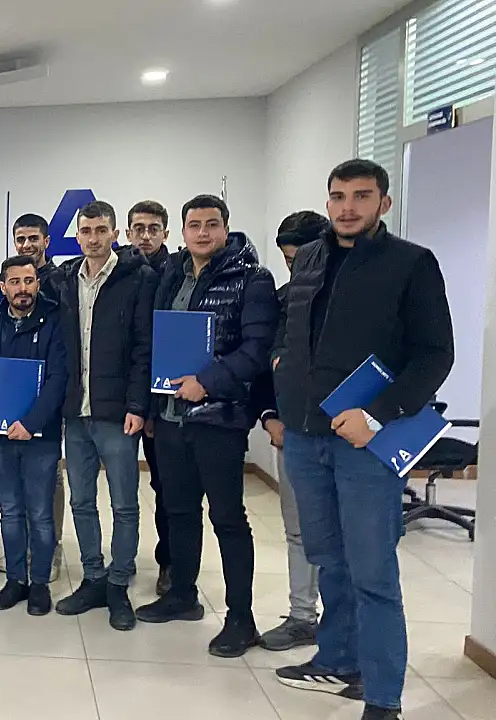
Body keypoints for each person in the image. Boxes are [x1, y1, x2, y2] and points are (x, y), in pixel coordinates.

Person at [273, 160, 453, 720]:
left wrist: (377, 414)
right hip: (304, 435)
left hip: (366, 443)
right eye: (338, 196)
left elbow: (435, 354)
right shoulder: (310, 257)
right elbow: (292, 333)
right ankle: (339, 658)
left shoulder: (411, 263)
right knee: (328, 557)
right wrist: (281, 395)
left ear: (384, 203)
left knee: (372, 571)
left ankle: (382, 695)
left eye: (361, 195)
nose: (347, 207)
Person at [135, 195, 279, 660]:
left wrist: (207, 382)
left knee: (228, 518)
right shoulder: (170, 275)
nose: (202, 233)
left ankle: (241, 618)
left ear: (225, 228)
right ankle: (182, 595)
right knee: (178, 511)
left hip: (219, 418)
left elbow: (256, 350)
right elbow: (155, 342)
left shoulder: (252, 279)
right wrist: (151, 408)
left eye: (211, 224)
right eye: (194, 225)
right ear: (182, 231)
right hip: (170, 417)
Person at [53, 201, 157, 632]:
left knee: (124, 504)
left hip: (116, 413)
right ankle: (93, 577)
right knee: (81, 500)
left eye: (101, 230)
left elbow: (144, 347)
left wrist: (137, 405)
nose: (93, 238)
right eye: (86, 231)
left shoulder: (138, 278)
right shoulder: (64, 280)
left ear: (115, 234)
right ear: (77, 235)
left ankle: (118, 582)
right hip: (75, 412)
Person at [0, 255, 68, 615]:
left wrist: (31, 422)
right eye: (14, 282)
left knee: (40, 514)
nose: (22, 288)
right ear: (3, 286)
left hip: (40, 436)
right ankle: (15, 580)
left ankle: (39, 582)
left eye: (29, 281)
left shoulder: (55, 319)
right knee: (10, 511)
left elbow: (58, 378)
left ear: (37, 284)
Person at [254, 211, 328, 652]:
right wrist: (269, 417)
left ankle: (344, 628)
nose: (297, 269)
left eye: (304, 259)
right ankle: (303, 616)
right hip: (293, 433)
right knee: (298, 531)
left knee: (342, 538)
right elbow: (266, 366)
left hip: (347, 437)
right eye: (288, 260)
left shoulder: (349, 300)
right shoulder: (282, 303)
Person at [5, 212, 67, 580]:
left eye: (33, 238)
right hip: (13, 397)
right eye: (21, 239)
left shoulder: (61, 282)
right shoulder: (9, 281)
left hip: (49, 397)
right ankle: (23, 548)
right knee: (16, 485)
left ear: (46, 241)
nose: (27, 244)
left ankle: (50, 549)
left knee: (50, 480)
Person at [119, 199, 175, 596]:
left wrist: (154, 407)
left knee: (166, 488)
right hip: (122, 398)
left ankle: (169, 562)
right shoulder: (119, 272)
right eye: (138, 228)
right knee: (120, 489)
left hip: (164, 401)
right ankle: (119, 560)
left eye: (153, 229)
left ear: (165, 233)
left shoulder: (177, 273)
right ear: (127, 233)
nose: (145, 236)